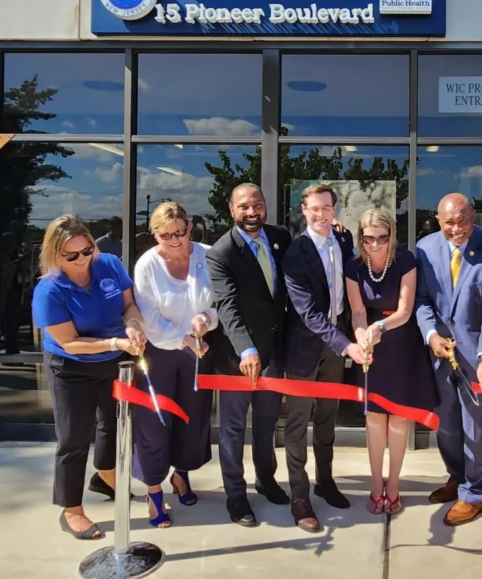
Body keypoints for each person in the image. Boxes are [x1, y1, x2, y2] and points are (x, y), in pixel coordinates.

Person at [31, 215, 147, 539]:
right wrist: (114, 341)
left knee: (114, 424)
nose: (82, 260)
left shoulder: (108, 263)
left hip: (115, 361)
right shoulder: (49, 290)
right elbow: (68, 341)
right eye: (72, 256)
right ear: (56, 256)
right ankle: (71, 510)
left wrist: (134, 324)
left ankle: (105, 475)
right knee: (73, 439)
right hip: (72, 368)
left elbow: (129, 305)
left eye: (87, 251)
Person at [415, 193, 482, 526]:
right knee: (446, 425)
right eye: (448, 223)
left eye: (463, 221)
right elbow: (423, 300)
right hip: (439, 353)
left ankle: (475, 493)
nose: (456, 229)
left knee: (476, 426)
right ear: (437, 221)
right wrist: (431, 335)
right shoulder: (425, 248)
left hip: (476, 354)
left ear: (474, 216)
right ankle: (457, 477)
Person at [281, 183, 367, 532]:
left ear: (335, 209)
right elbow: (309, 314)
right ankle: (299, 496)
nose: (320, 214)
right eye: (314, 209)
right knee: (298, 424)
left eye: (326, 208)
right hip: (305, 349)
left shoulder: (344, 241)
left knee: (328, 418)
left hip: (335, 348)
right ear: (304, 210)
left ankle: (326, 481)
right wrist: (346, 345)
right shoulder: (294, 254)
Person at [206, 184, 292, 527]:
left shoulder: (281, 237)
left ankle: (266, 479)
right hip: (237, 358)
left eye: (257, 204)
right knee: (233, 428)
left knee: (268, 423)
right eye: (244, 207)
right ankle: (236, 495)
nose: (252, 212)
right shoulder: (222, 252)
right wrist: (247, 349)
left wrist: (340, 234)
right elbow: (227, 307)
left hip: (275, 354)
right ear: (231, 210)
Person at [345, 209, 438, 515]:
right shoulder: (354, 266)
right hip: (371, 345)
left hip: (400, 340)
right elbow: (358, 311)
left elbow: (406, 310)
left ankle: (394, 485)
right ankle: (375, 484)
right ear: (361, 237)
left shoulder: (405, 260)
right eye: (369, 238)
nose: (375, 244)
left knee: (398, 418)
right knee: (373, 418)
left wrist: (379, 328)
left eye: (382, 238)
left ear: (391, 236)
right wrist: (361, 337)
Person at [132, 202, 215, 528]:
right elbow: (148, 317)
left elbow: (222, 301)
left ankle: (181, 475)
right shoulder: (147, 265)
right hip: (160, 352)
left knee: (192, 419)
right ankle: (154, 493)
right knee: (154, 424)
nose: (175, 240)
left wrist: (207, 319)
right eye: (166, 235)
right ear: (155, 234)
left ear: (190, 226)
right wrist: (183, 339)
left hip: (200, 349)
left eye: (180, 233)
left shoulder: (208, 255)